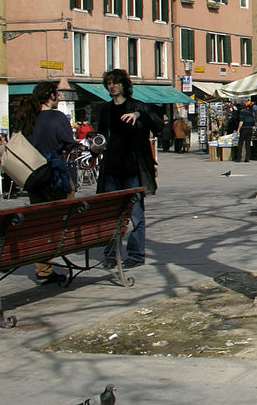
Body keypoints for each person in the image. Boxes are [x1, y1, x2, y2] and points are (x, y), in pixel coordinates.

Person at [93, 69, 163, 269]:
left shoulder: (136, 106)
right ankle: (111, 254)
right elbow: (101, 135)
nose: (112, 86)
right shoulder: (105, 109)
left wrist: (138, 114)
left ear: (124, 85)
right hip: (111, 170)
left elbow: (157, 122)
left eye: (115, 83)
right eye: (109, 83)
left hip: (133, 169)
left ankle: (135, 254)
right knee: (111, 215)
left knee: (136, 214)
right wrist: (96, 147)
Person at [14, 81, 78, 283]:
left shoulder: (28, 119)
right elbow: (68, 142)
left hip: (33, 176)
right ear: (50, 95)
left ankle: (43, 269)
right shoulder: (57, 117)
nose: (58, 97)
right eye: (57, 93)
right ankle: (54, 255)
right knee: (59, 220)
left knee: (40, 223)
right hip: (55, 175)